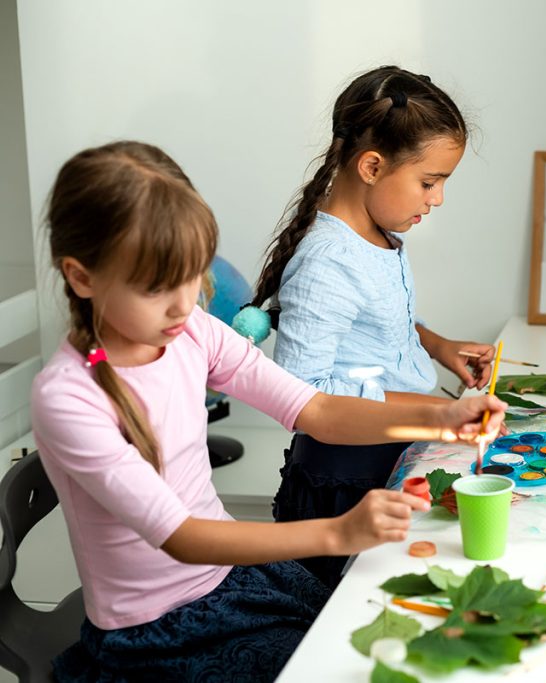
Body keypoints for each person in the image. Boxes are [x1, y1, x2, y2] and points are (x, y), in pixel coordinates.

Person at [30, 140, 505, 683]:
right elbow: (182, 536)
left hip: (229, 579)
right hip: (155, 631)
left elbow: (315, 408)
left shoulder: (191, 331)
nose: (184, 303)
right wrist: (337, 533)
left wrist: (440, 418)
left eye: (193, 276)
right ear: (82, 276)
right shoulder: (69, 397)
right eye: (157, 287)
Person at [246, 66, 495, 587]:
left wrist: (437, 345)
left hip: (388, 455)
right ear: (373, 166)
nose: (437, 199)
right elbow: (304, 398)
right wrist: (438, 410)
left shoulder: (375, 237)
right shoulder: (326, 262)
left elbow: (379, 321)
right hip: (345, 483)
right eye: (429, 182)